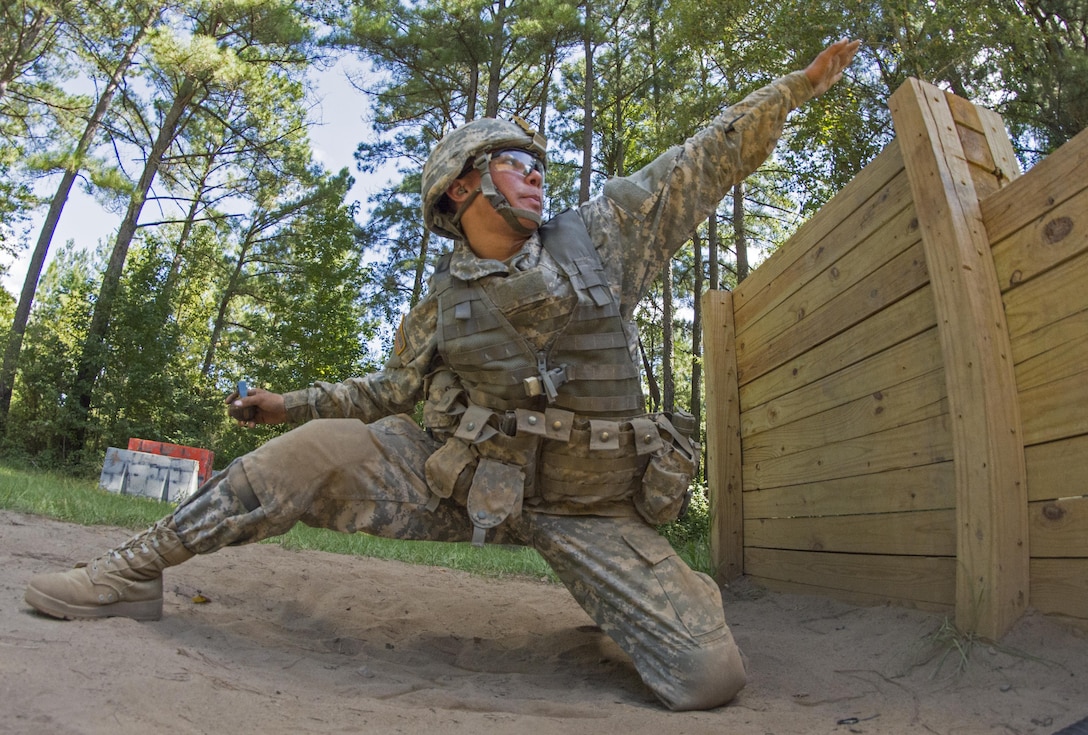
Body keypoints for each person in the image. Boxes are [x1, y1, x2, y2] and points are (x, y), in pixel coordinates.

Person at [25, 39, 860, 711]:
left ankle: (641, 602)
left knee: (709, 678)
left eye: (539, 162)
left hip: (591, 508)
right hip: (469, 485)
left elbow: (702, 160)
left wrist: (795, 87)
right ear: (463, 188)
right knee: (311, 450)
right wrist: (290, 404)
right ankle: (130, 570)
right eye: (515, 161)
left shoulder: (602, 235)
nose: (538, 172)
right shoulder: (439, 303)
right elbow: (388, 393)